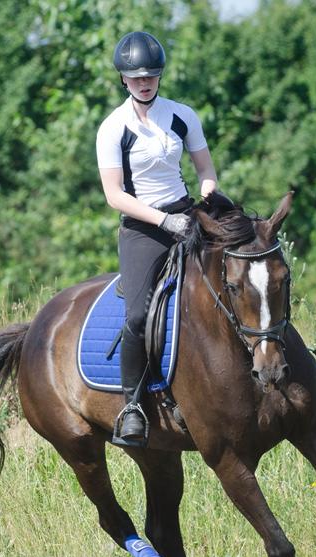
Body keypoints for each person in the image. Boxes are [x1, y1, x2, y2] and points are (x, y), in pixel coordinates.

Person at [96, 31, 218, 447]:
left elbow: (205, 169)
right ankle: (132, 404)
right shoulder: (114, 127)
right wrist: (164, 224)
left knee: (245, 267)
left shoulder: (182, 115)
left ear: (160, 76)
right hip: (143, 227)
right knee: (137, 315)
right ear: (124, 80)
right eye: (136, 77)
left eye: (151, 76)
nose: (144, 82)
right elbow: (115, 196)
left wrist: (207, 192)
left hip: (186, 210)